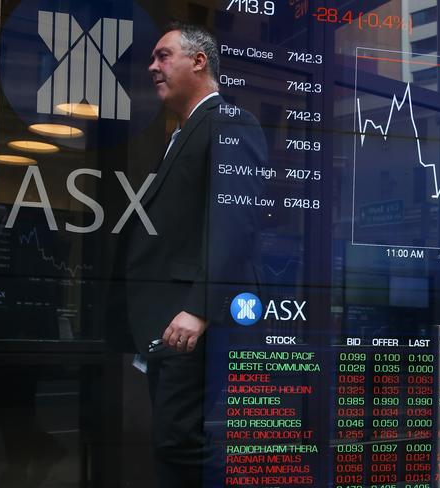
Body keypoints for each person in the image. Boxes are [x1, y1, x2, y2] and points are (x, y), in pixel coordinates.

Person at [117, 21, 266, 487]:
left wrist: (199, 309)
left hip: (190, 325)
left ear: (198, 61)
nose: (152, 67)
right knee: (175, 443)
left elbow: (235, 224)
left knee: (182, 445)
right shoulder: (184, 133)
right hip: (169, 324)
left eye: (163, 56)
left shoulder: (228, 123)